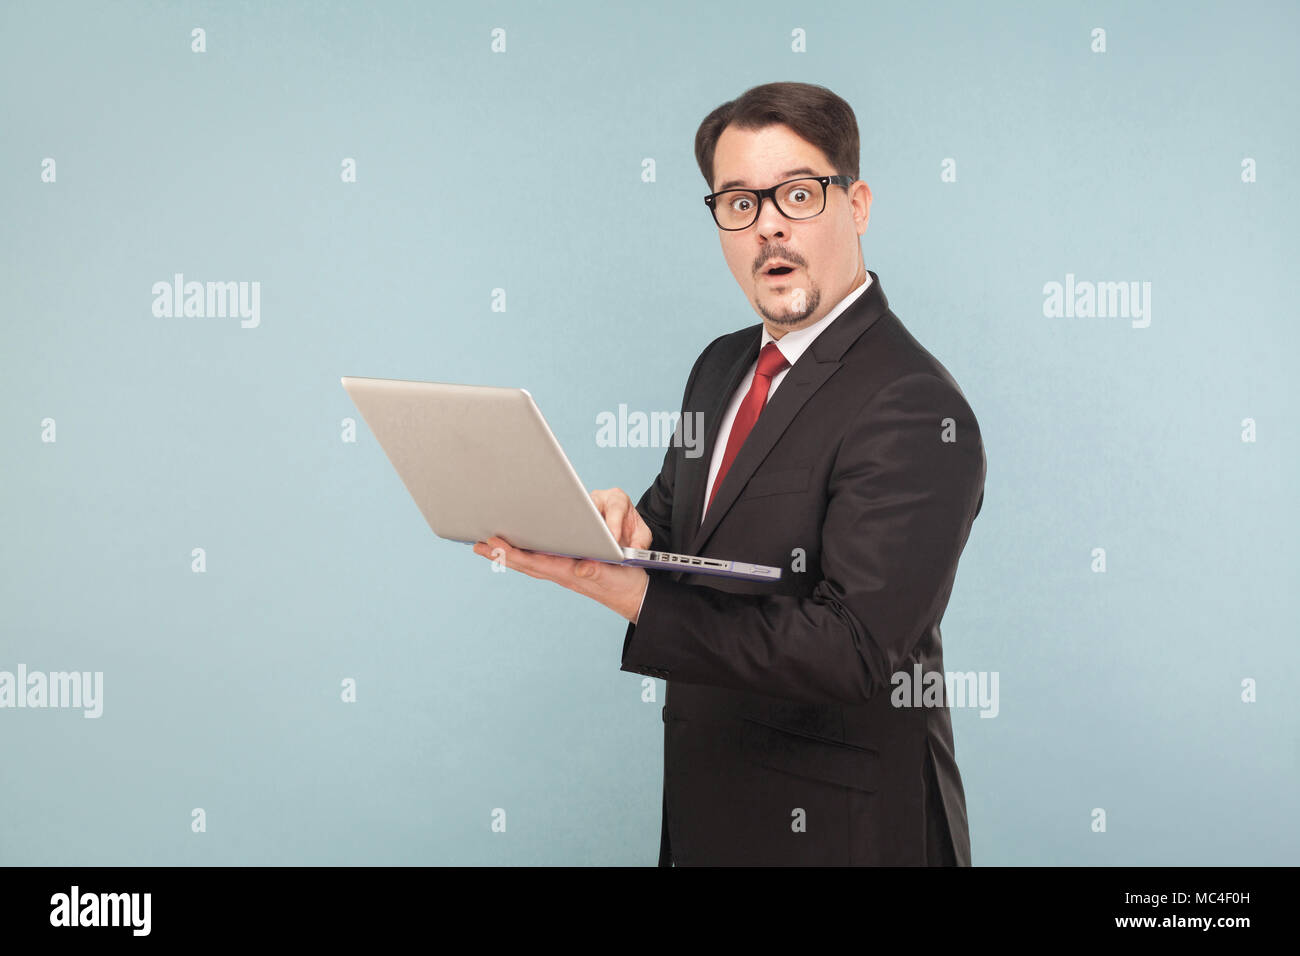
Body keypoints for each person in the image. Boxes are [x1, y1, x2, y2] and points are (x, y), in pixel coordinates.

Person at [474, 81, 986, 866]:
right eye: (740, 202)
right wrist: (622, 531)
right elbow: (679, 529)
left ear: (858, 204)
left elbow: (852, 649)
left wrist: (629, 592)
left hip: (847, 835)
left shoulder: (912, 404)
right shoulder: (720, 368)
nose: (769, 225)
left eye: (799, 193)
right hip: (712, 808)